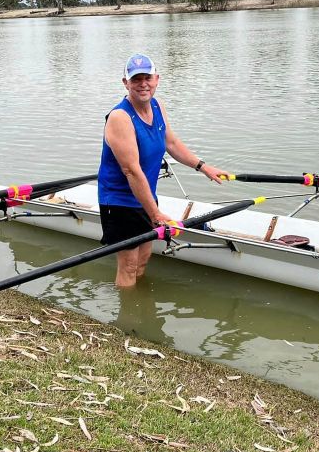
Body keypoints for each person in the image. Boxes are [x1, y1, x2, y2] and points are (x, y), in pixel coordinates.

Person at [98, 53, 229, 288]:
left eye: (147, 77)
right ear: (125, 83)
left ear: (157, 79)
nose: (143, 84)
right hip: (119, 201)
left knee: (144, 257)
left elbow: (171, 143)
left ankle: (138, 310)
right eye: (136, 79)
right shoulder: (120, 117)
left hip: (145, 196)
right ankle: (124, 322)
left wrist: (203, 166)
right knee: (128, 264)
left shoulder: (157, 106)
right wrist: (156, 215)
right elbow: (131, 171)